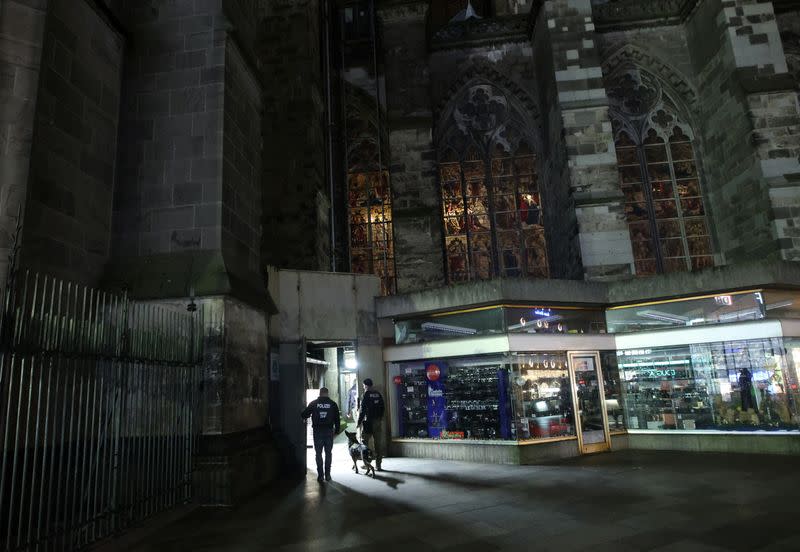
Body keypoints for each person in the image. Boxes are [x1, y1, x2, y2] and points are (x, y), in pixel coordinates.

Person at [301, 387, 340, 482]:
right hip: (329, 431)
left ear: (320, 393)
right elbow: (337, 419)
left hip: (317, 431)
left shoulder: (314, 403)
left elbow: (304, 414)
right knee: (328, 453)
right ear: (327, 393)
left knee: (318, 453)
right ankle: (328, 475)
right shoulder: (333, 404)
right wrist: (337, 430)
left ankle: (320, 476)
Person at [357, 378, 385, 471]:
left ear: (365, 385)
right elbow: (382, 407)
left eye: (363, 385)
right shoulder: (378, 394)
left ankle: (367, 464)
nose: (363, 387)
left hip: (368, 422)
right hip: (378, 422)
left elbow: (363, 410)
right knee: (378, 444)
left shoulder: (366, 394)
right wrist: (380, 418)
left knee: (364, 443)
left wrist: (359, 422)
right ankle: (378, 465)